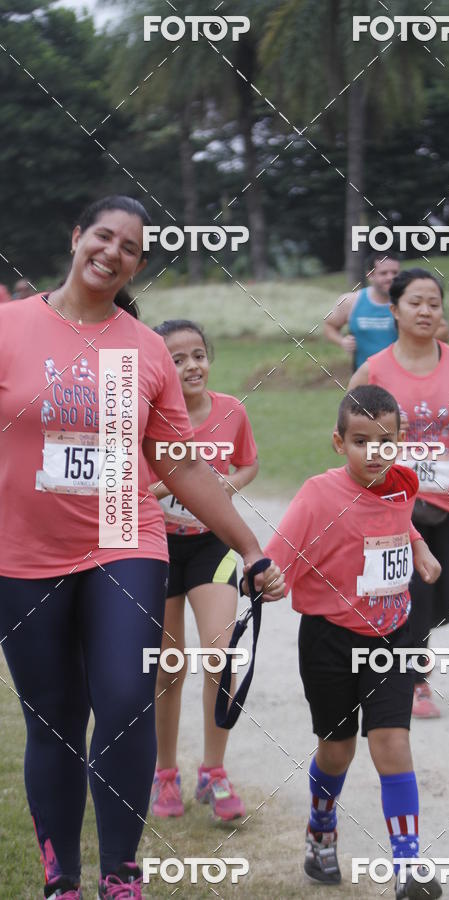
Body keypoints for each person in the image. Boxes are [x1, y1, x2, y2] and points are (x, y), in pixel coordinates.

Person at [0, 195, 284, 900]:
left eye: (130, 247)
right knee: (55, 719)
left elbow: (181, 465)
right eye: (104, 235)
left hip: (124, 540)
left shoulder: (142, 347)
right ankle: (61, 877)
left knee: (126, 697)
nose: (113, 252)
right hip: (24, 552)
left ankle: (121, 872)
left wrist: (249, 547)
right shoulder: (9, 329)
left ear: (137, 263)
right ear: (76, 238)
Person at [264, 385, 444, 900]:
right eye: (361, 441)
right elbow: (279, 555)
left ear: (401, 441)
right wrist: (266, 579)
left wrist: (419, 546)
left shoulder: (403, 482)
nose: (375, 452)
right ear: (338, 442)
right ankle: (322, 823)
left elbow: (396, 517)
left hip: (392, 633)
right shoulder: (318, 495)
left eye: (386, 440)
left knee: (392, 741)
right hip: (329, 640)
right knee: (337, 750)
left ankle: (407, 866)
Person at [148, 320, 259, 822]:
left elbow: (248, 464)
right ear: (159, 368)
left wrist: (222, 490)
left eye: (198, 354)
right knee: (169, 667)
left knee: (222, 655)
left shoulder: (231, 410)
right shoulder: (147, 417)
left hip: (212, 546)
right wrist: (162, 491)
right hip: (158, 549)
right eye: (177, 359)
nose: (191, 366)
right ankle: (164, 773)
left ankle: (214, 771)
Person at [349, 268, 449, 719]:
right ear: (395, 309)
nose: (425, 310)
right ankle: (415, 678)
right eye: (416, 302)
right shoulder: (375, 369)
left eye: (434, 303)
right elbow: (348, 436)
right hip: (396, 502)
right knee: (416, 587)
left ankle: (398, 643)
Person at [323, 252, 401, 371]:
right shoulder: (351, 301)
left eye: (394, 273)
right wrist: (342, 341)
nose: (390, 278)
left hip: (400, 376)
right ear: (370, 275)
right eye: (383, 273)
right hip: (363, 377)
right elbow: (329, 326)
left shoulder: (407, 302)